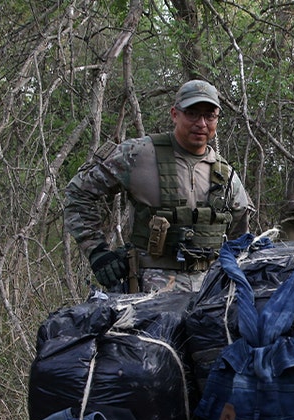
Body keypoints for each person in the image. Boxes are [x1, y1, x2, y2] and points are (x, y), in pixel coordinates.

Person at [64, 79, 254, 294]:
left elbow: (241, 237)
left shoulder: (226, 174)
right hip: (149, 291)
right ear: (175, 114)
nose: (201, 123)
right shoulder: (139, 154)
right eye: (192, 113)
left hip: (210, 291)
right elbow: (78, 192)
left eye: (209, 116)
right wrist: (97, 251)